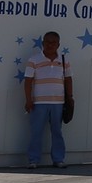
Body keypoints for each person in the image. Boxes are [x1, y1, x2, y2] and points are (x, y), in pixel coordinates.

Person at [24, 31, 73, 169]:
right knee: (36, 132)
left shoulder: (64, 60)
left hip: (58, 103)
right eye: (47, 42)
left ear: (58, 44)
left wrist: (70, 97)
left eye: (53, 42)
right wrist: (28, 100)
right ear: (42, 43)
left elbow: (68, 79)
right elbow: (28, 81)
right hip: (38, 103)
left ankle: (58, 159)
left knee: (57, 132)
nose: (50, 45)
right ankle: (33, 160)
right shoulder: (34, 60)